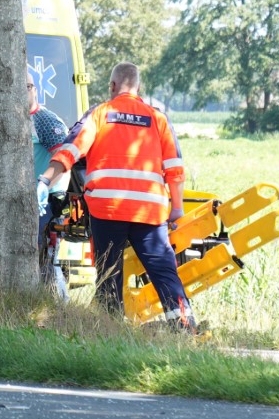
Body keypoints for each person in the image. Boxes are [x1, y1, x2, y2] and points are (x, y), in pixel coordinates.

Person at [40, 62, 195, 331]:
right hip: (149, 211)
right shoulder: (158, 119)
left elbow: (70, 151)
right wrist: (177, 209)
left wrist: (44, 180)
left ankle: (110, 328)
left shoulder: (100, 114)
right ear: (138, 88)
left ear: (112, 86)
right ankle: (184, 324)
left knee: (109, 270)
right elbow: (175, 168)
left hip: (107, 209)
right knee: (163, 269)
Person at [27, 76, 71, 287]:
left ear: (34, 89)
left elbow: (64, 160)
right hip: (30, 197)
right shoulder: (20, 119)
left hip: (48, 200)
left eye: (26, 87)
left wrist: (44, 186)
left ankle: (55, 300)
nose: (22, 92)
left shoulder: (44, 120)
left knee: (40, 250)